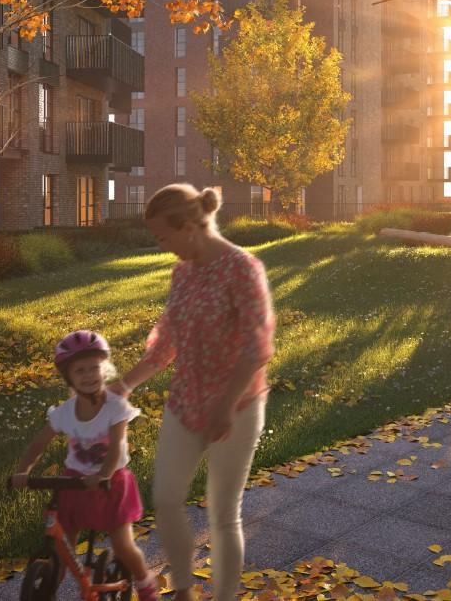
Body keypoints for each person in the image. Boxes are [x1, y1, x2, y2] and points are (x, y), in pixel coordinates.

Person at [109, 184, 275, 601]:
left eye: (163, 237)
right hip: (185, 403)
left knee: (222, 513)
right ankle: (183, 590)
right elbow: (167, 342)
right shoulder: (182, 273)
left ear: (187, 228)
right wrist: (125, 383)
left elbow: (258, 348)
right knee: (165, 499)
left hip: (237, 408)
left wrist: (225, 405)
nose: (162, 246)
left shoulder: (242, 268)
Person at [11, 330, 160, 601]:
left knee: (122, 544)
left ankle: (145, 582)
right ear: (69, 378)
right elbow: (38, 444)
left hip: (111, 482)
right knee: (61, 544)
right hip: (74, 483)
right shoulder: (65, 412)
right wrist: (24, 470)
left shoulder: (115, 406)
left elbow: (115, 447)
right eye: (80, 370)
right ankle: (49, 585)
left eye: (95, 368)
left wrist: (103, 474)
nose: (90, 375)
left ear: (104, 369)